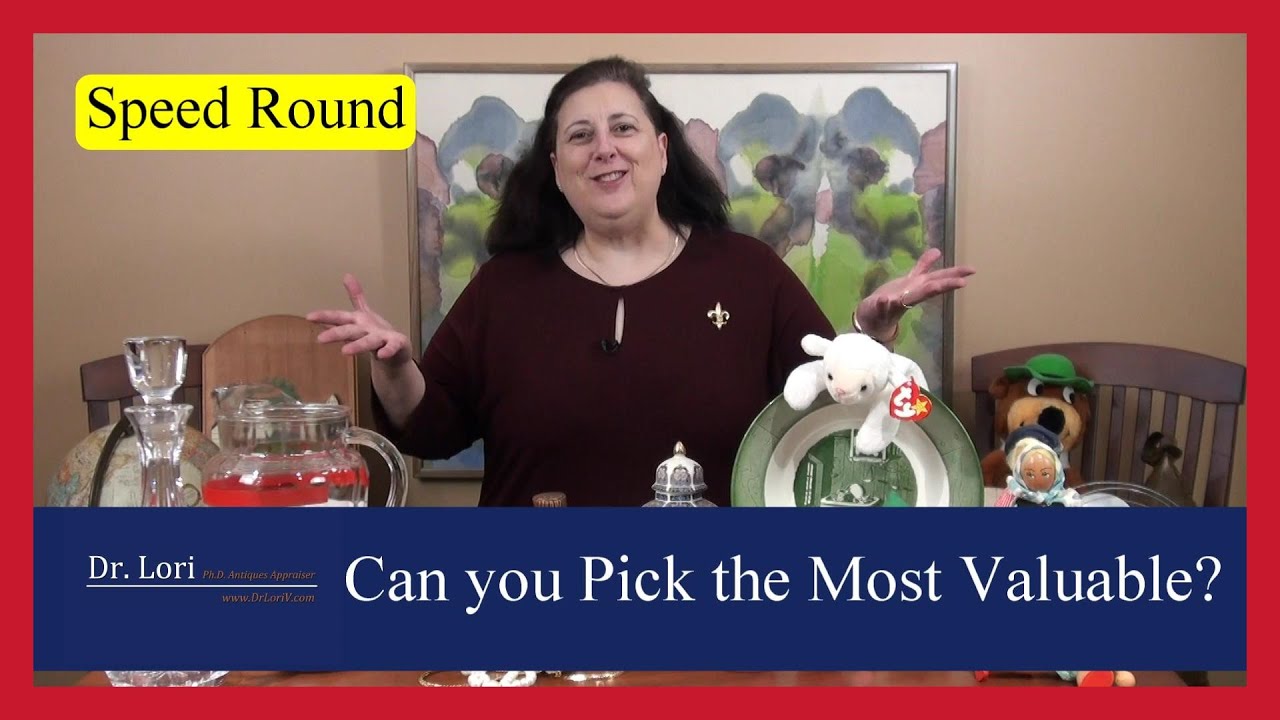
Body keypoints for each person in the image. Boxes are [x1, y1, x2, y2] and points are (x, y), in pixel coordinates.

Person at [307, 56, 974, 507]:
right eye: (580, 136)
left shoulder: (749, 273)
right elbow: (431, 431)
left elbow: (830, 416)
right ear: (557, 168)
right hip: (529, 608)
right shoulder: (502, 289)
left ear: (659, 151)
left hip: (714, 614)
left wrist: (868, 336)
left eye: (623, 128)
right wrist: (392, 366)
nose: (605, 147)